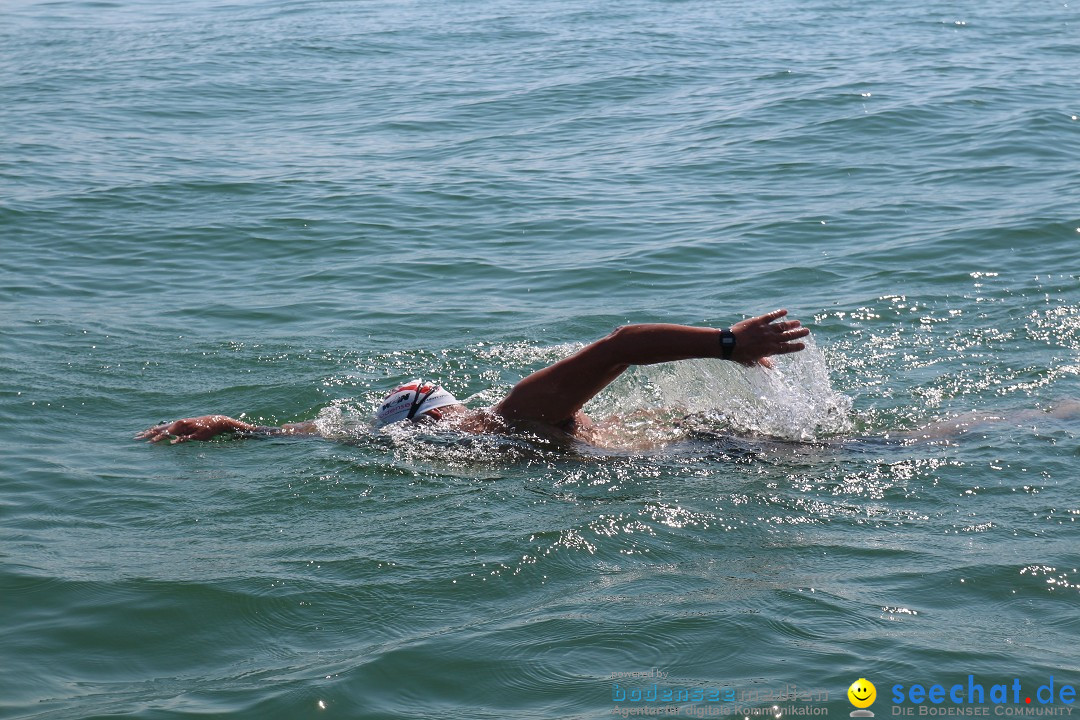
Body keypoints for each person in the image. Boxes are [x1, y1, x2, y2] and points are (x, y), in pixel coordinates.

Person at [136, 309, 810, 445]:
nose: (445, 425)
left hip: (715, 455)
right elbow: (326, 432)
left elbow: (623, 345)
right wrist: (235, 428)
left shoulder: (515, 414)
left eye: (440, 419)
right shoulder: (465, 437)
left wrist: (729, 342)